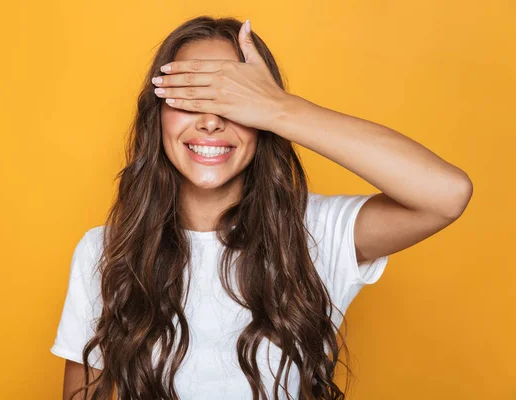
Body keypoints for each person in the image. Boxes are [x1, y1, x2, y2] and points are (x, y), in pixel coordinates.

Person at [49, 16, 473, 400]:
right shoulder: (105, 251)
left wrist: (278, 108)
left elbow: (446, 194)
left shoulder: (314, 232)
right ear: (157, 116)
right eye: (189, 97)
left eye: (233, 100)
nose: (211, 121)